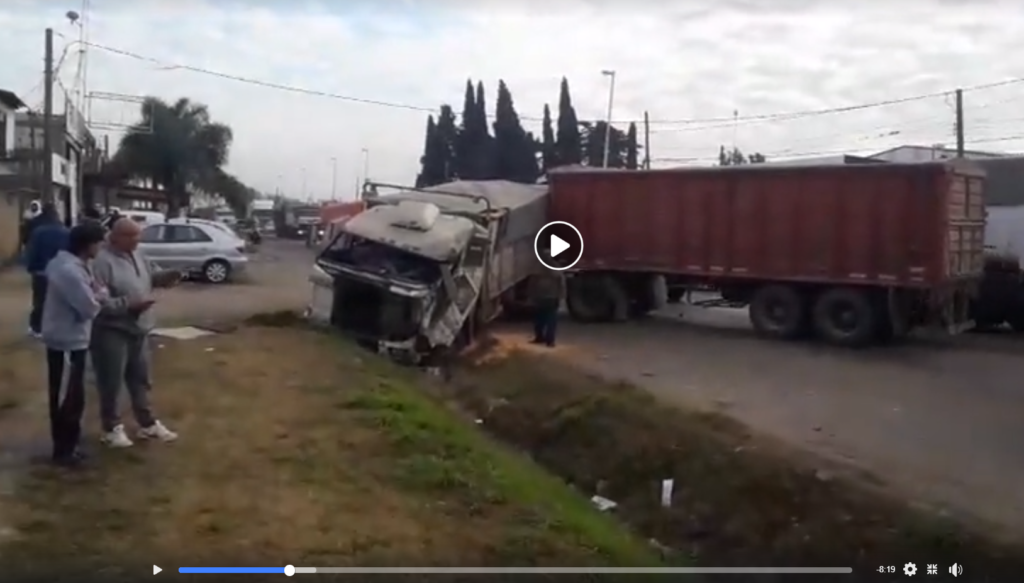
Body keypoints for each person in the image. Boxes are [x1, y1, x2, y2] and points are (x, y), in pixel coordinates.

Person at [90, 218, 181, 448]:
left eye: (138, 235)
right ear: (115, 236)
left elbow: (152, 275)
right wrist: (129, 304)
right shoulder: (101, 262)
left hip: (139, 329)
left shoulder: (139, 254)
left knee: (140, 379)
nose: (137, 240)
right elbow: (97, 303)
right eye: (131, 236)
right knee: (111, 381)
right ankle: (111, 428)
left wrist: (169, 276)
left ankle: (147, 424)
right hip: (112, 331)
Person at [40, 222, 108, 467]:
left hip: (72, 338)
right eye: (100, 242)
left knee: (74, 395)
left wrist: (96, 293)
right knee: (67, 396)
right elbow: (88, 307)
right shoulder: (69, 271)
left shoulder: (78, 266)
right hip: (66, 341)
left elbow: (92, 294)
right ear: (88, 244)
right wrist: (100, 295)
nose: (102, 247)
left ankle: (70, 445)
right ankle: (63, 450)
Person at [23, 202, 70, 338]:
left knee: (39, 300)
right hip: (60, 271)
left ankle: (36, 328)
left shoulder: (38, 231)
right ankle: (55, 326)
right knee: (58, 300)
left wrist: (31, 267)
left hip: (40, 270)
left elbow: (31, 251)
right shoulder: (65, 231)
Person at [527, 254, 567, 348]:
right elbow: (561, 283)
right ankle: (550, 341)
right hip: (551, 297)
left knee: (539, 319)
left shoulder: (537, 268)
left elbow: (532, 283)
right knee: (551, 320)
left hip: (540, 297)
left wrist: (530, 295)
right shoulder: (555, 267)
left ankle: (540, 337)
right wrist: (561, 295)